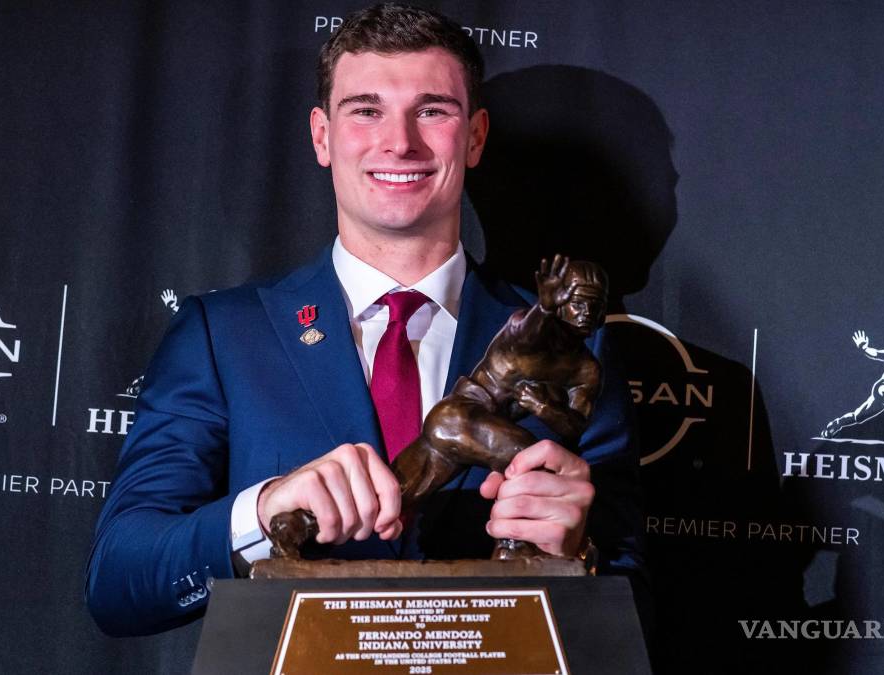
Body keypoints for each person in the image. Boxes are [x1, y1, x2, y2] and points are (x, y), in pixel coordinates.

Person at [86, 3, 642, 637]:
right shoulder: (222, 336)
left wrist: (576, 555)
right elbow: (118, 581)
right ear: (322, 136)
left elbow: (636, 613)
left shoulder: (572, 346)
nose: (399, 142)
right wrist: (262, 514)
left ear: (475, 137)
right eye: (366, 110)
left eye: (432, 111)